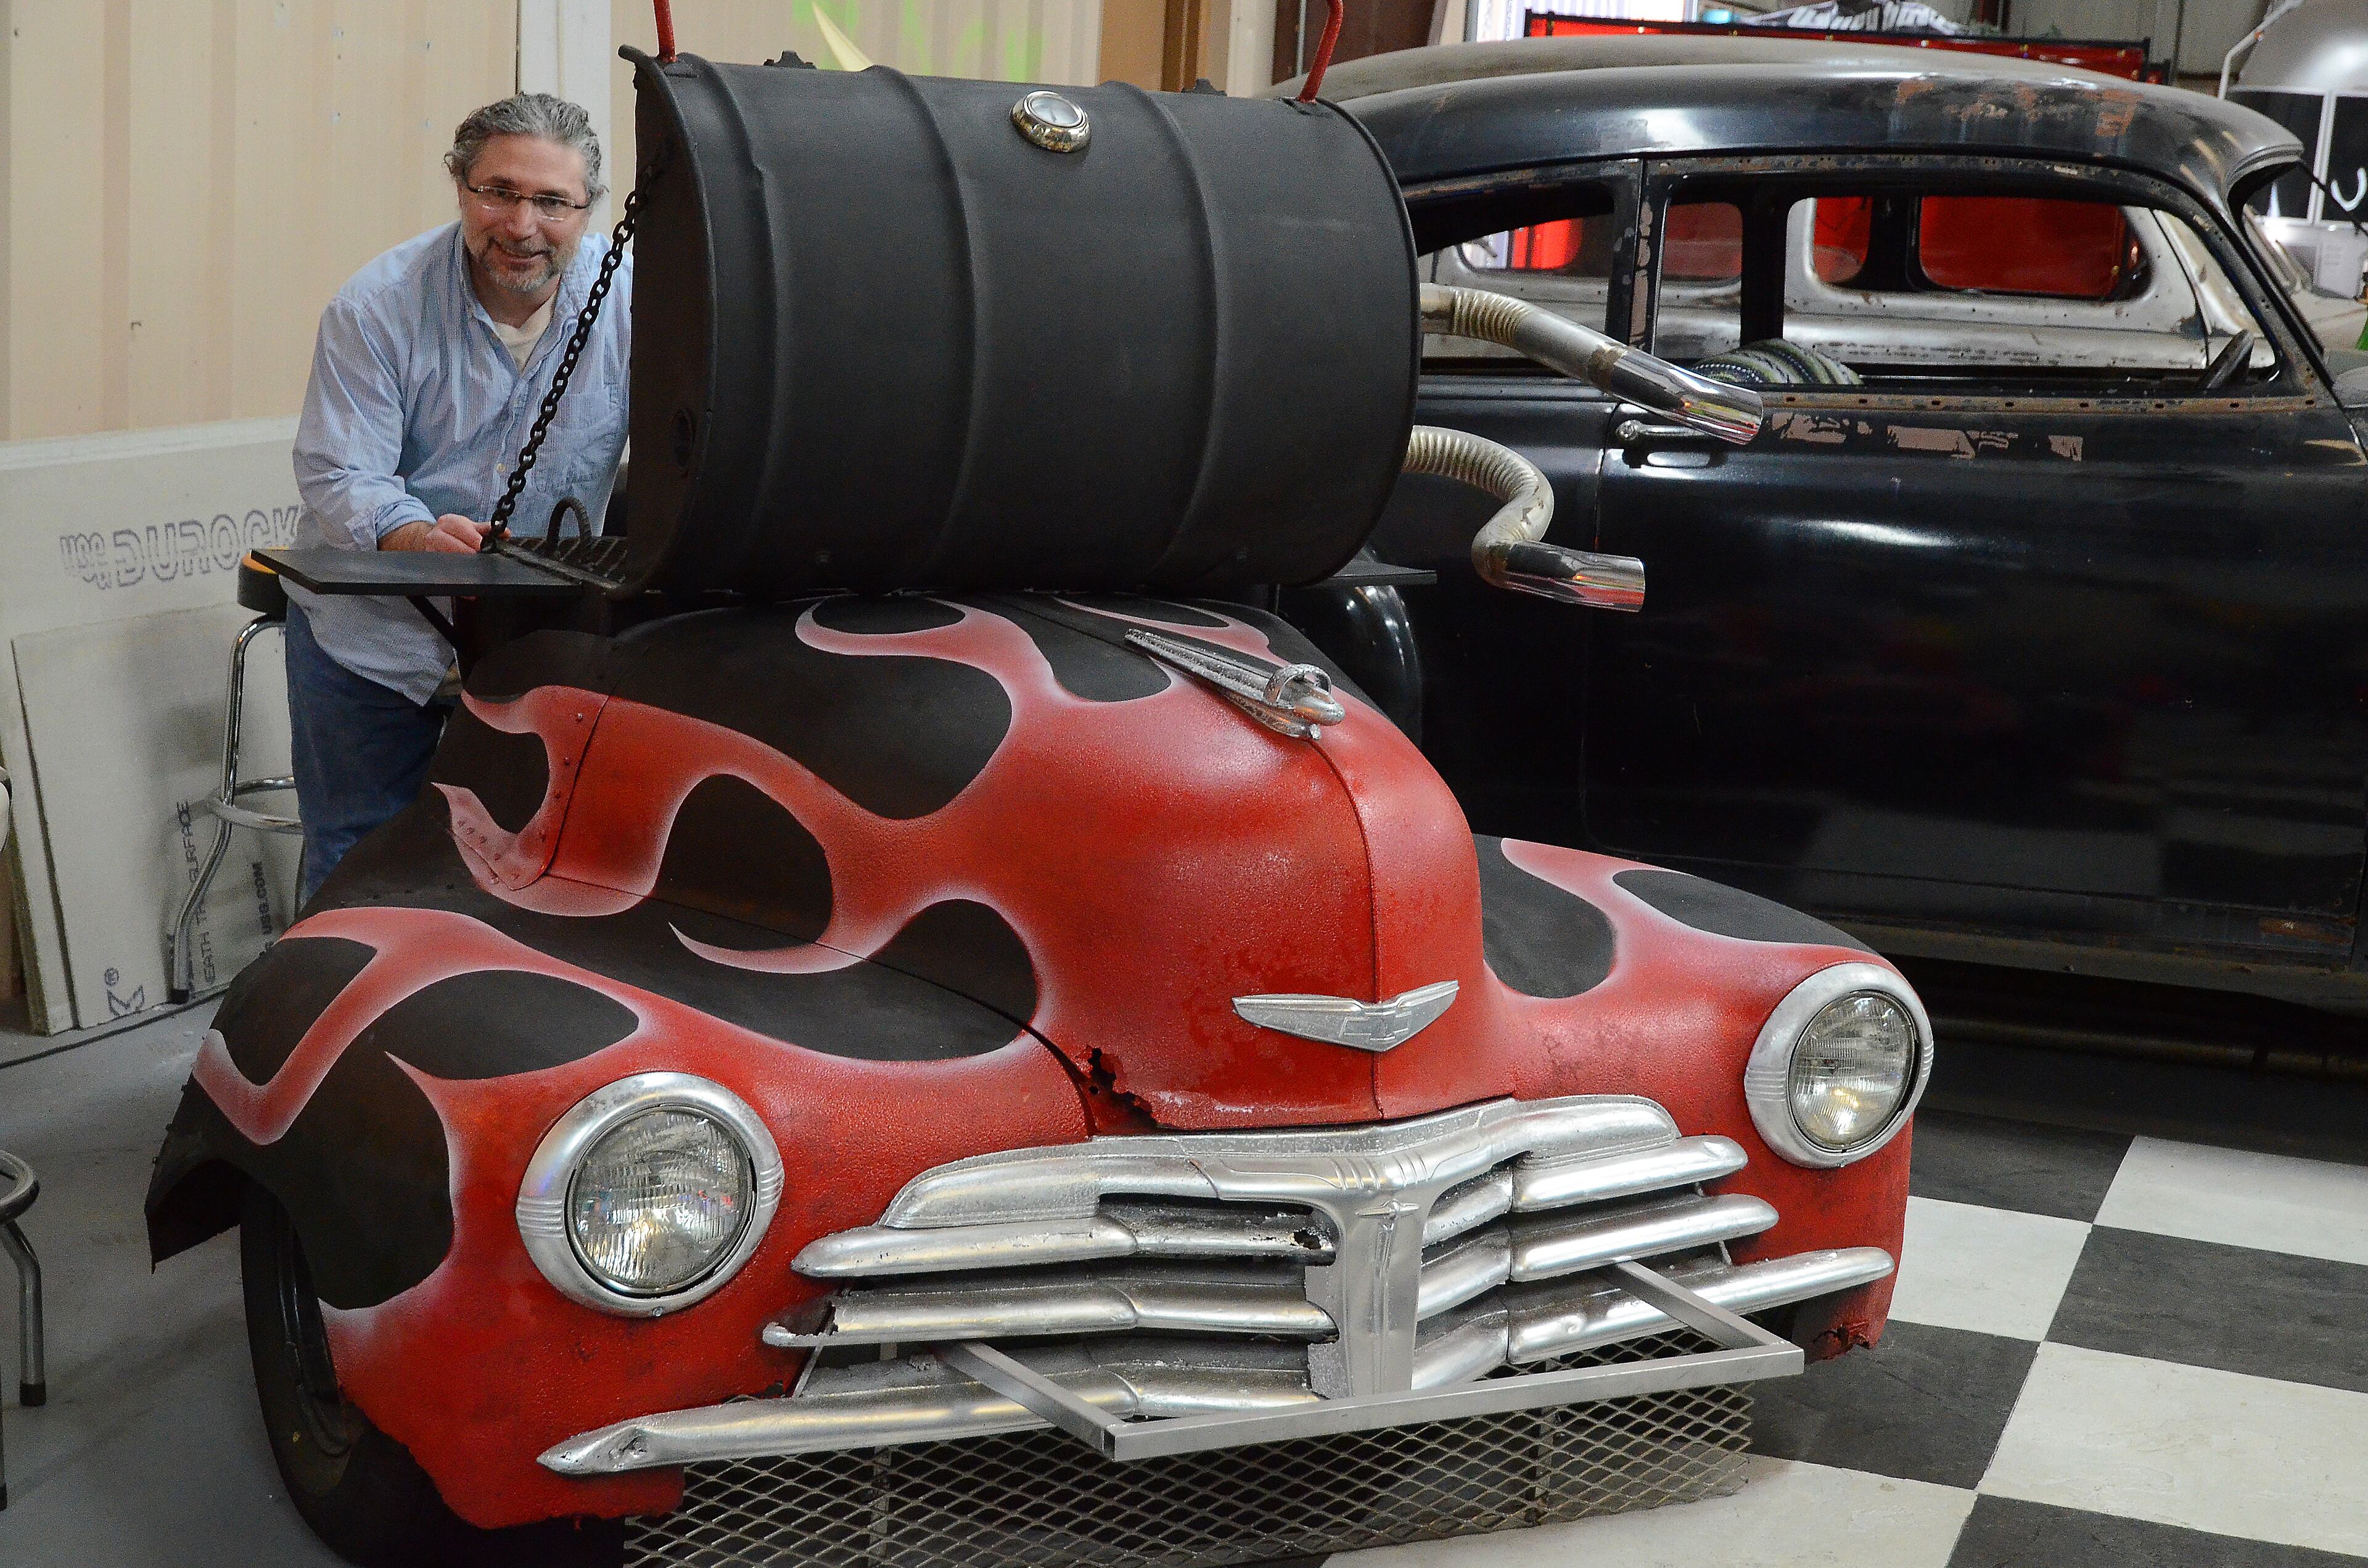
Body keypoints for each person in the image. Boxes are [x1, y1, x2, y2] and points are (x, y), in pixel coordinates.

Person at [284, 93, 630, 903]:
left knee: (530, 872)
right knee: (358, 856)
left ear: (587, 209)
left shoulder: (634, 302)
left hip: (534, 639)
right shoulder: (379, 307)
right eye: (498, 192)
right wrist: (413, 538)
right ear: (459, 185)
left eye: (552, 202)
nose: (521, 225)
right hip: (374, 638)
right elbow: (341, 475)